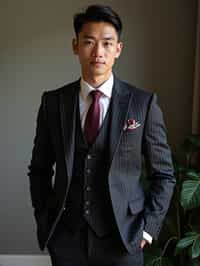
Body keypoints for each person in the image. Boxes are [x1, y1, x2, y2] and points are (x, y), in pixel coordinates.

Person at [28, 4, 176, 266]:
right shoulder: (53, 103)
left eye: (107, 43)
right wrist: (45, 221)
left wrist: (148, 230)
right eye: (89, 42)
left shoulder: (143, 103)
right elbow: (39, 169)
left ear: (118, 49)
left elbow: (164, 174)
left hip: (125, 237)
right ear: (76, 46)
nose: (98, 52)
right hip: (67, 238)